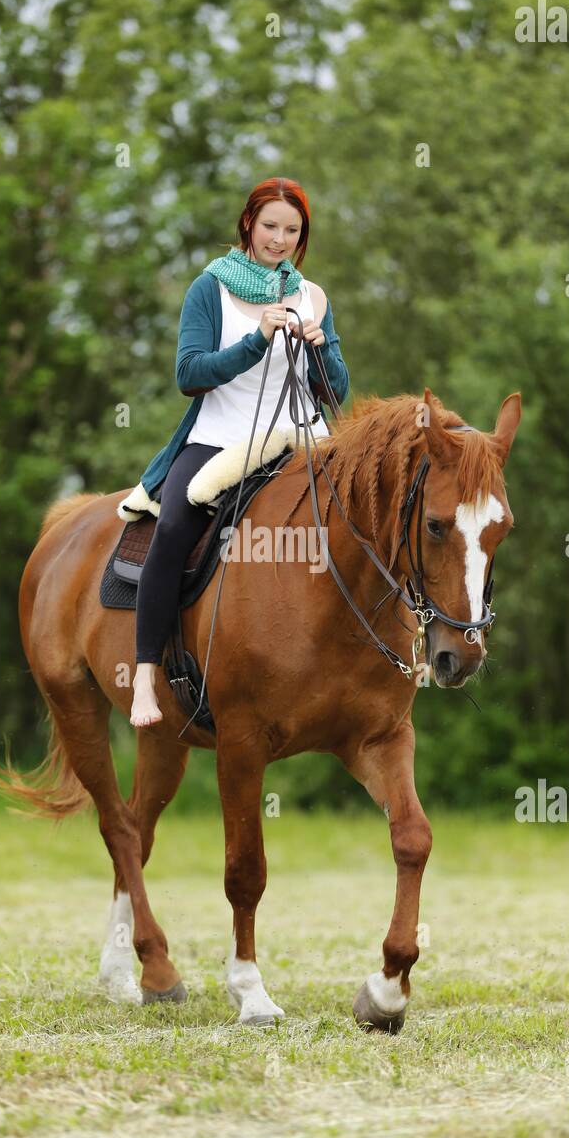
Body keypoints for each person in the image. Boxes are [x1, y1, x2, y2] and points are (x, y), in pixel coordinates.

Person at [126, 176, 350, 726]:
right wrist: (257, 342)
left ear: (303, 237)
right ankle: (144, 677)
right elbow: (189, 374)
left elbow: (336, 391)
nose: (279, 239)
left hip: (303, 441)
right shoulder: (209, 288)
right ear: (248, 224)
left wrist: (322, 349)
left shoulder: (313, 297)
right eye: (270, 226)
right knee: (175, 524)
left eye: (292, 230)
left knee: (370, 521)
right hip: (221, 441)